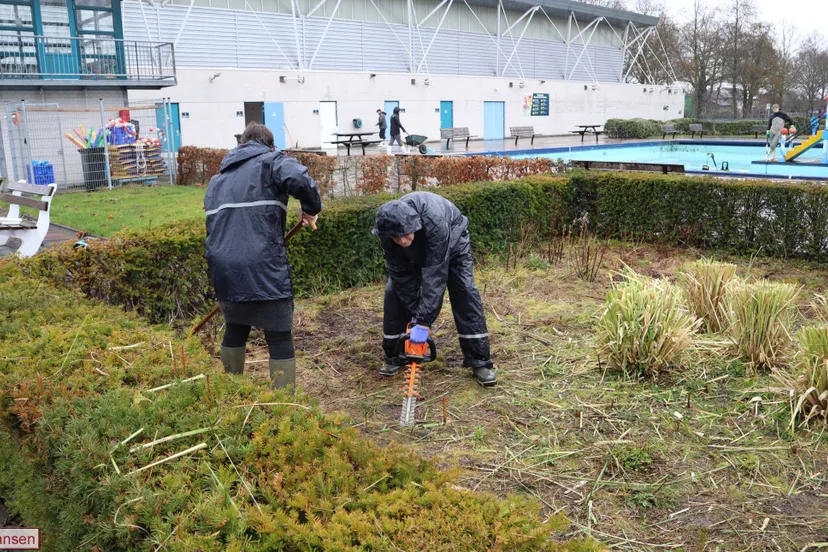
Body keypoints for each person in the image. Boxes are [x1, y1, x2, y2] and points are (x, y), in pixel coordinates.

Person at [204, 122, 323, 388]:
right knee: (279, 336)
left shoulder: (217, 180)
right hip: (263, 265)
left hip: (223, 267)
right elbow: (301, 179)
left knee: (235, 327)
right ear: (270, 146)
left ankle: (231, 392)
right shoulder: (271, 161)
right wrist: (311, 209)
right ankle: (282, 405)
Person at [372, 192, 496, 387]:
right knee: (393, 292)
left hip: (453, 242)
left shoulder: (434, 220)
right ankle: (393, 354)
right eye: (396, 238)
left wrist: (423, 321)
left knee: (464, 291)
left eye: (405, 234)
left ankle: (479, 361)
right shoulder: (388, 231)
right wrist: (415, 312)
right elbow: (400, 274)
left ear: (413, 224)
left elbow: (435, 275)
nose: (402, 241)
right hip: (418, 249)